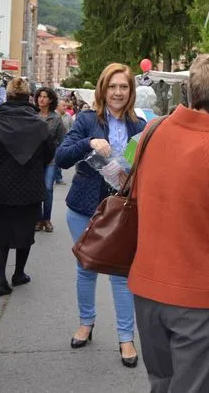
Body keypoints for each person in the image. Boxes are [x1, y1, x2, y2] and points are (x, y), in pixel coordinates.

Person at [129, 53, 209, 393]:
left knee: (161, 382)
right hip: (196, 297)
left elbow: (137, 194)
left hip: (145, 286)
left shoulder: (152, 130)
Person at [55, 63, 146, 368]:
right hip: (84, 207)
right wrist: (88, 143)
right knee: (86, 268)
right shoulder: (85, 120)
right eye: (112, 86)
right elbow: (61, 158)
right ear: (103, 90)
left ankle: (125, 337)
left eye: (124, 87)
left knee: (121, 273)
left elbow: (148, 166)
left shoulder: (139, 125)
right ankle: (86, 323)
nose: (118, 92)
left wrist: (134, 173)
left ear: (131, 91)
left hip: (123, 210)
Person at [0, 77, 53, 296]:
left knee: (0, 233)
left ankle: (0, 277)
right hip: (29, 187)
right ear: (28, 97)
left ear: (7, 97)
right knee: (25, 231)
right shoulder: (40, 125)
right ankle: (19, 273)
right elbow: (49, 154)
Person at [35, 87, 67, 232]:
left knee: (48, 188)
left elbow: (63, 139)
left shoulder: (56, 118)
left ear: (50, 100)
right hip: (35, 159)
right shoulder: (33, 116)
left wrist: (58, 154)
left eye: (45, 97)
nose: (41, 99)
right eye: (39, 96)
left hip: (51, 159)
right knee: (36, 188)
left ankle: (46, 219)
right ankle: (37, 219)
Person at [54, 99, 74, 185]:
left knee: (58, 159)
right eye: (63, 106)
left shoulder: (68, 116)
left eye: (66, 105)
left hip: (64, 141)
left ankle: (58, 178)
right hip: (54, 142)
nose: (65, 107)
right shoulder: (53, 115)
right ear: (57, 106)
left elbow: (72, 127)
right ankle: (56, 177)